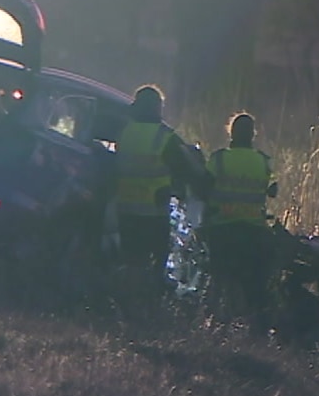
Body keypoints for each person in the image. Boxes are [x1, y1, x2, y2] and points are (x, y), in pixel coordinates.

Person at [114, 84, 210, 307]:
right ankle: (149, 308)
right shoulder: (164, 137)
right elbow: (188, 170)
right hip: (153, 211)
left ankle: (124, 304)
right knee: (155, 263)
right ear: (157, 108)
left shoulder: (125, 133)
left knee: (131, 261)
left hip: (126, 208)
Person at [202, 112, 278, 327]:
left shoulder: (218, 159)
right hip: (253, 230)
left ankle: (216, 324)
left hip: (222, 229)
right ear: (253, 134)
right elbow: (273, 190)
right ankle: (254, 326)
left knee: (220, 280)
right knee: (253, 283)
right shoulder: (263, 162)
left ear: (231, 132)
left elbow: (203, 187)